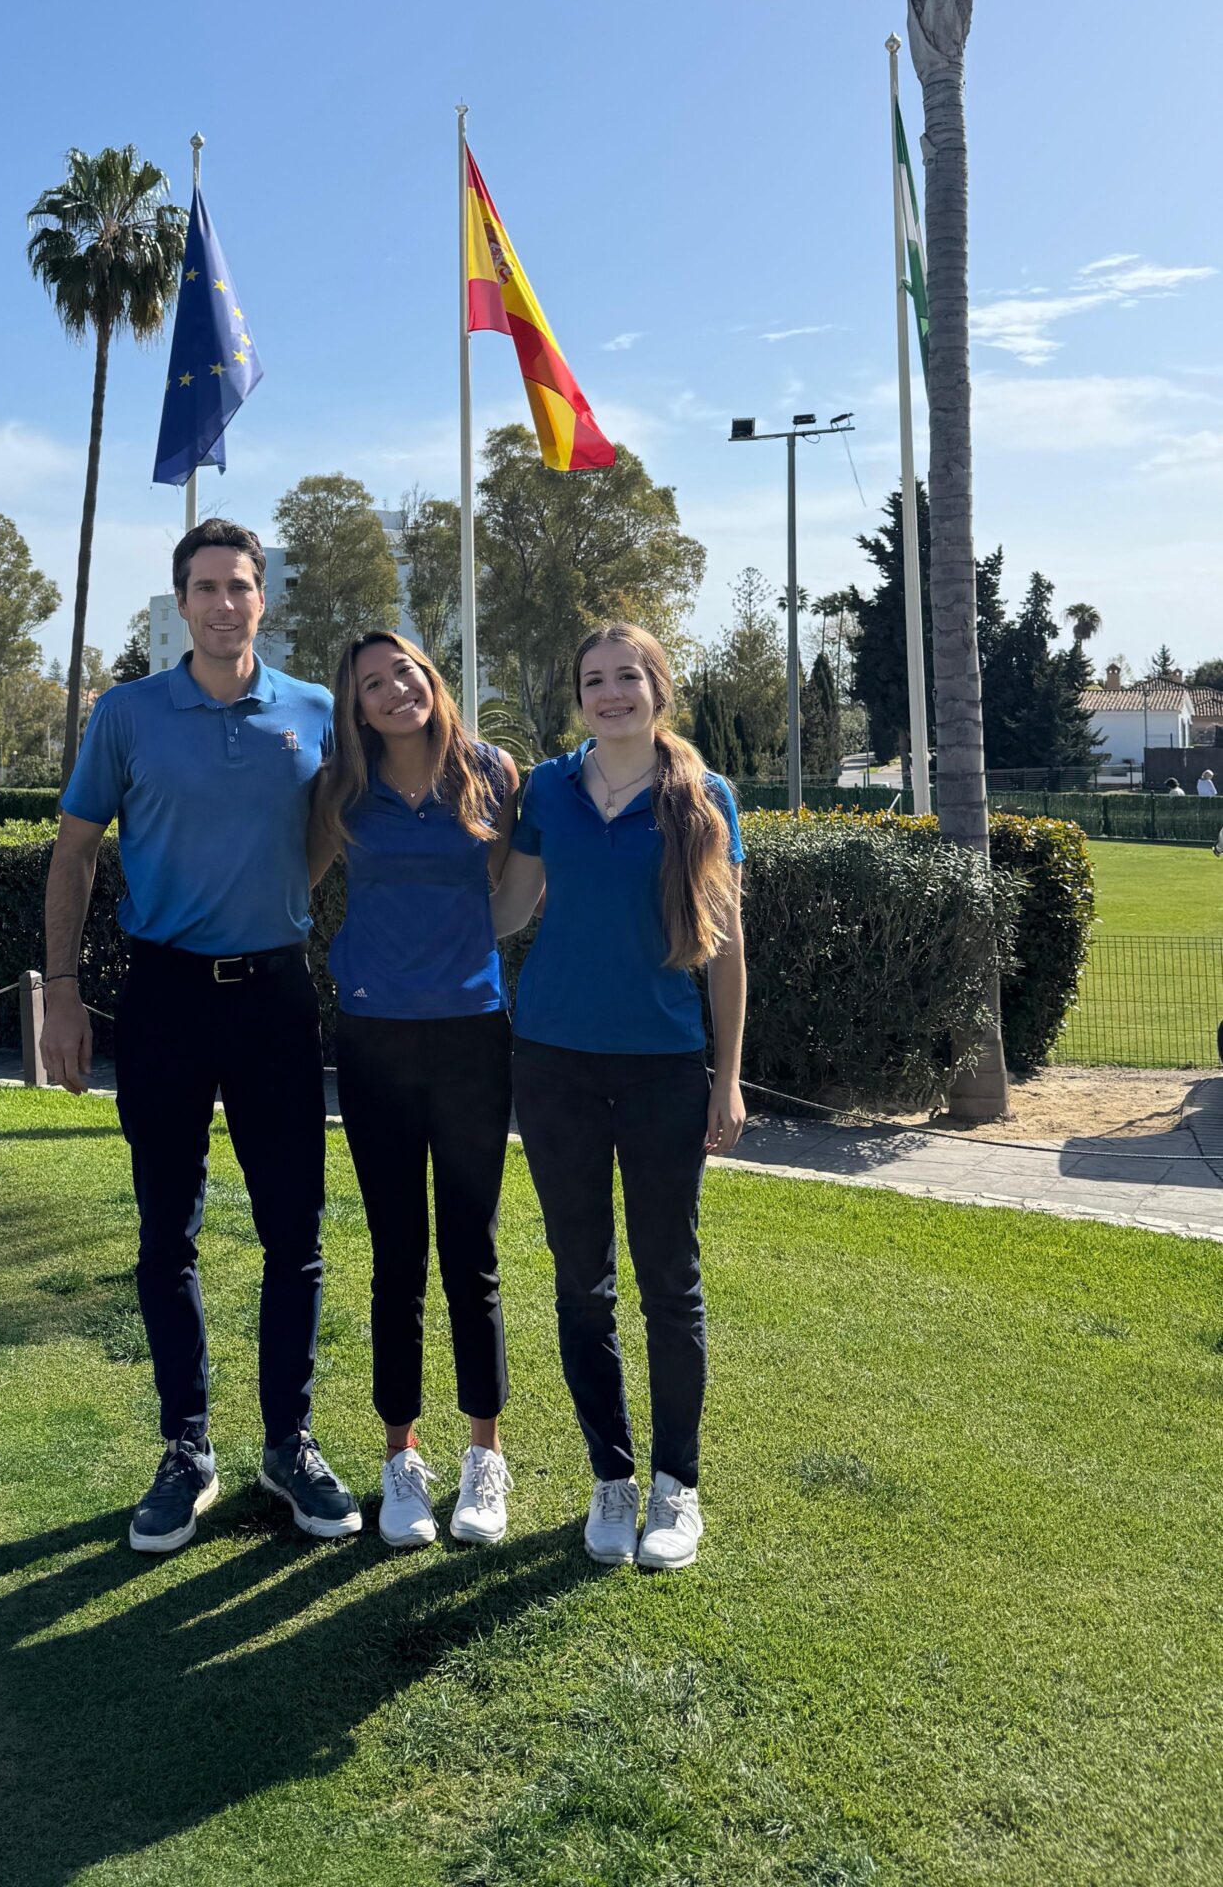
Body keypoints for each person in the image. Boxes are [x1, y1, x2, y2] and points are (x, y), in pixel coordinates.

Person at [41, 518, 362, 1555]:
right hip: (164, 997)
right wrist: (60, 991)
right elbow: (76, 854)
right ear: (180, 602)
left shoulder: (313, 709)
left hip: (274, 996)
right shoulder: (127, 714)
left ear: (263, 598)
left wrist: (275, 909)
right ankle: (186, 1448)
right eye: (206, 586)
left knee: (294, 1239)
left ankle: (287, 1442)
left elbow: (322, 834)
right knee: (164, 1234)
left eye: (241, 585)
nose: (225, 602)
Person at [493, 622, 746, 1574]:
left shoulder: (703, 796)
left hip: (662, 1071)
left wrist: (725, 1077)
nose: (611, 693)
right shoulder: (548, 790)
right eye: (594, 679)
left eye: (627, 677)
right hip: (551, 1061)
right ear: (579, 695)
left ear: (658, 689)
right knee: (579, 1280)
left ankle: (675, 1488)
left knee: (668, 1284)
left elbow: (725, 958)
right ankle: (611, 1477)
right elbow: (509, 909)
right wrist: (416, 898)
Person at [310, 633, 521, 1550]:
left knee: (469, 1253)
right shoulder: (340, 791)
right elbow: (293, 882)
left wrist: (474, 947)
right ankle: (400, 1459)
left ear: (431, 681)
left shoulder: (490, 773)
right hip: (372, 1039)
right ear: (354, 708)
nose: (395, 691)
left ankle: (485, 1459)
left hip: (475, 1035)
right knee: (396, 1256)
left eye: (406, 674)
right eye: (372, 684)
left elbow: (514, 886)